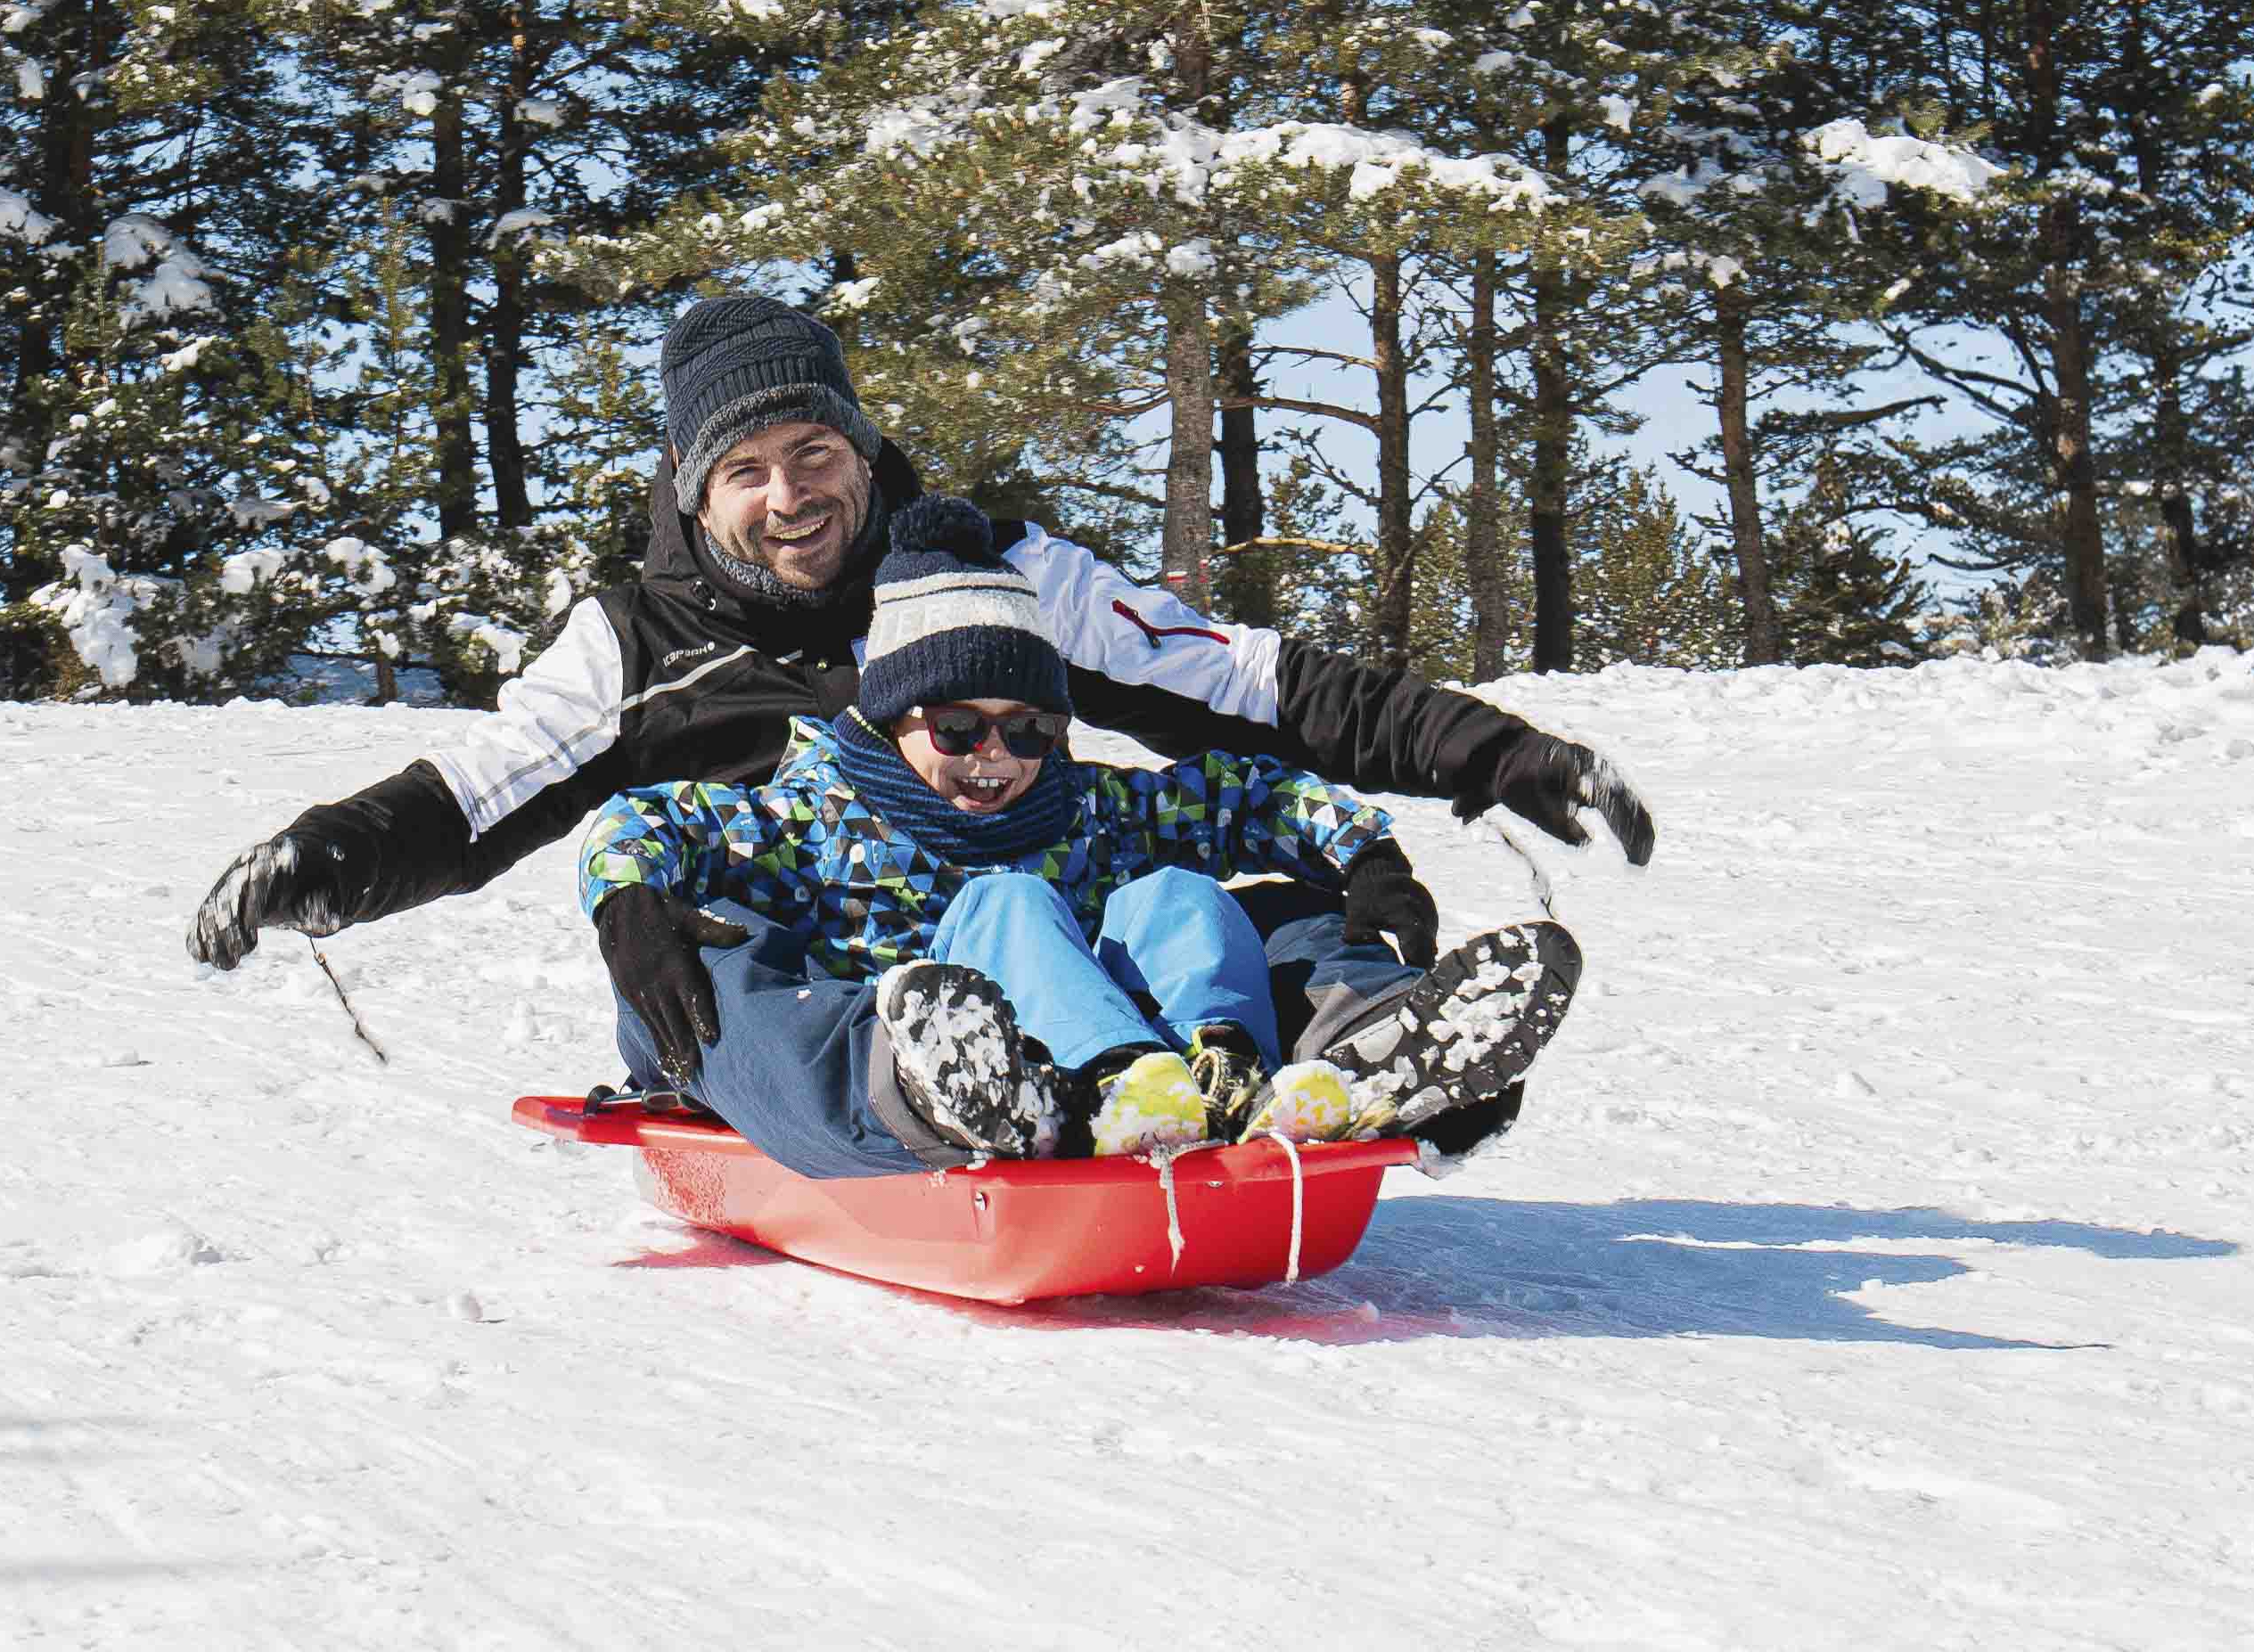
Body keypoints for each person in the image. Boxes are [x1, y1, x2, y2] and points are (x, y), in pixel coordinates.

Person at [184, 297, 1652, 1010]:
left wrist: (1490, 747)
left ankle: (1349, 1031)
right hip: (811, 970)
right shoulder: (631, 639)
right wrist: (318, 858)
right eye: (745, 466)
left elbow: (1243, 682)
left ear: (859, 446)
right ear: (695, 489)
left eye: (813, 448)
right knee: (747, 953)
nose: (790, 493)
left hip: (1031, 937)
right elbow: (482, 786)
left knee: (1199, 897)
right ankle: (909, 1074)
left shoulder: (989, 569)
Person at [578, 504, 1578, 1178]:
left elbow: (1251, 794)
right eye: (959, 728)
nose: (995, 755)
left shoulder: (1084, 808)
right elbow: (645, 818)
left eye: (1029, 729)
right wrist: (626, 904)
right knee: (749, 956)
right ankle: (951, 1093)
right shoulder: (811, 813)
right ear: (889, 719)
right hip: (885, 1027)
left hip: (1164, 1069)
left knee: (1195, 894)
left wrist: (1367, 860)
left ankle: (1353, 1053)